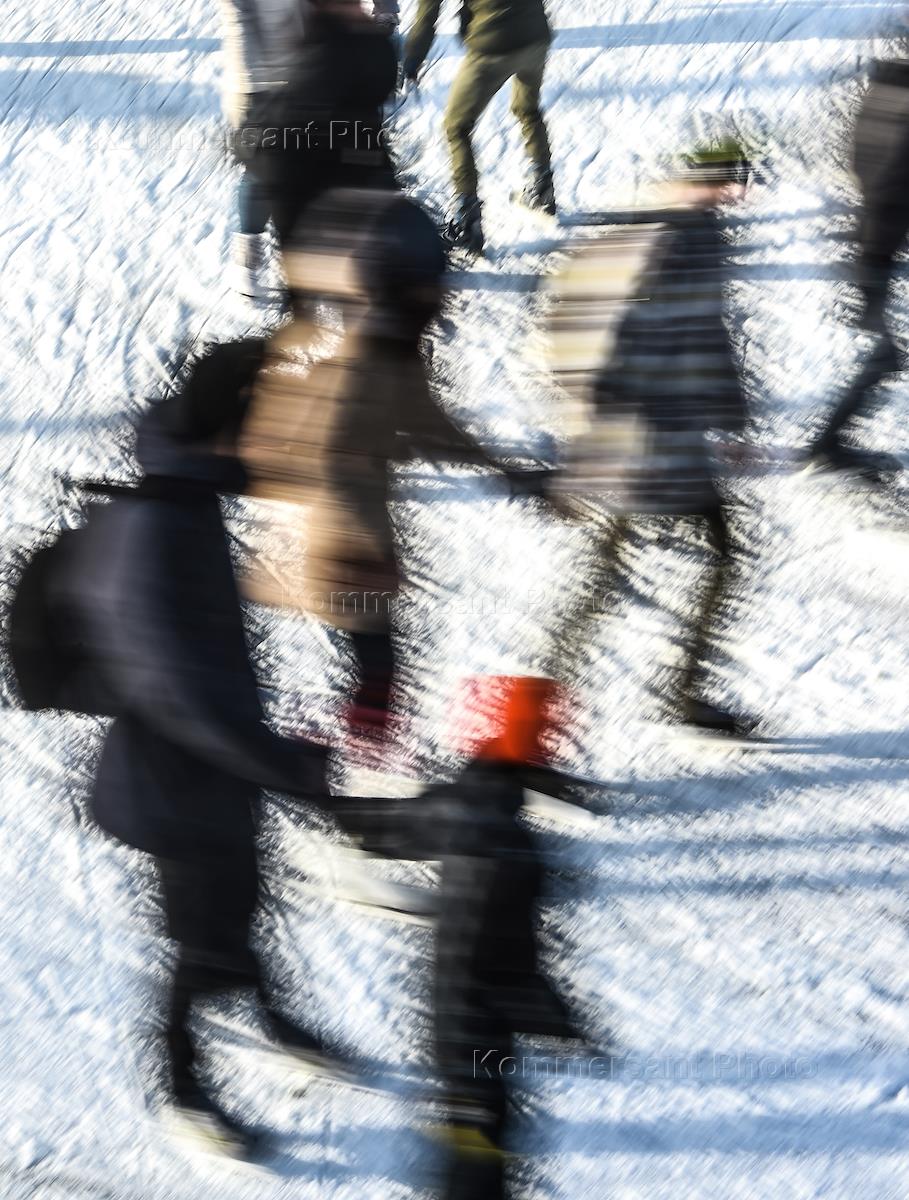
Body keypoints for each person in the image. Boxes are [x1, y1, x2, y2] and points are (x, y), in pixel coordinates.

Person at [71, 340, 344, 1156]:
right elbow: (178, 694)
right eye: (259, 423)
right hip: (173, 783)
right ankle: (182, 1093)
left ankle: (271, 1021)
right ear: (227, 427)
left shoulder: (186, 501)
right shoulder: (160, 526)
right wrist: (282, 764)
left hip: (214, 776)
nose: (271, 439)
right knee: (201, 942)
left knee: (240, 907)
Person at [239, 188, 509, 769]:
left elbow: (419, 425)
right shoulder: (372, 356)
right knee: (374, 655)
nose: (439, 299)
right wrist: (360, 537)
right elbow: (359, 442)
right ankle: (350, 760)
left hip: (320, 532)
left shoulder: (339, 340)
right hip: (342, 537)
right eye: (429, 288)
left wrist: (502, 468)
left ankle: (350, 749)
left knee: (370, 653)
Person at [548, 141, 754, 736]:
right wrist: (605, 428)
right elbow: (627, 334)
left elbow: (706, 333)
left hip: (666, 441)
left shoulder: (697, 237)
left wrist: (731, 420)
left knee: (612, 573)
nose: (735, 193)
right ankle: (677, 693)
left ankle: (537, 718)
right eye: (728, 181)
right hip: (649, 444)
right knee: (619, 575)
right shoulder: (673, 242)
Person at [806, 45, 909, 479]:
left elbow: (868, 168)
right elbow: (891, 182)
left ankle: (826, 447)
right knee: (883, 354)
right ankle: (825, 448)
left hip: (873, 244)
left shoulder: (887, 88)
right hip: (877, 249)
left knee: (884, 354)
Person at [237, 0, 400, 246]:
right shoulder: (368, 47)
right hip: (272, 78)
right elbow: (241, 21)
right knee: (265, 167)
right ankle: (251, 248)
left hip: (308, 65)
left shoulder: (359, 44)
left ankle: (263, 246)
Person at [401, 0, 555, 253]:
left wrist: (411, 62)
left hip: (492, 44)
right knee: (527, 108)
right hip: (536, 35)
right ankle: (542, 187)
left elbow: (427, 16)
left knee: (456, 126)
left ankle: (466, 219)